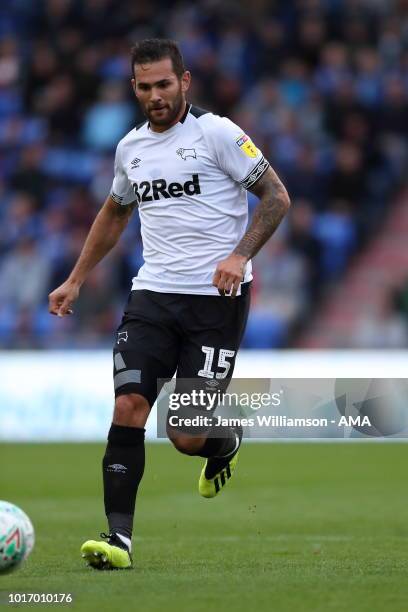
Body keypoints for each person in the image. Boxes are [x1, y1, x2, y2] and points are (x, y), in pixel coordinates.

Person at [48, 38, 290, 570]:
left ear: (185, 82)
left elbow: (276, 197)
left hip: (216, 302)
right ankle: (119, 539)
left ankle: (223, 442)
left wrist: (238, 255)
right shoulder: (130, 149)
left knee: (185, 435)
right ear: (133, 89)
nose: (155, 95)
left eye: (164, 84)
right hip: (152, 295)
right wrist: (76, 279)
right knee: (128, 406)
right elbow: (114, 213)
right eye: (144, 86)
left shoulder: (219, 133)